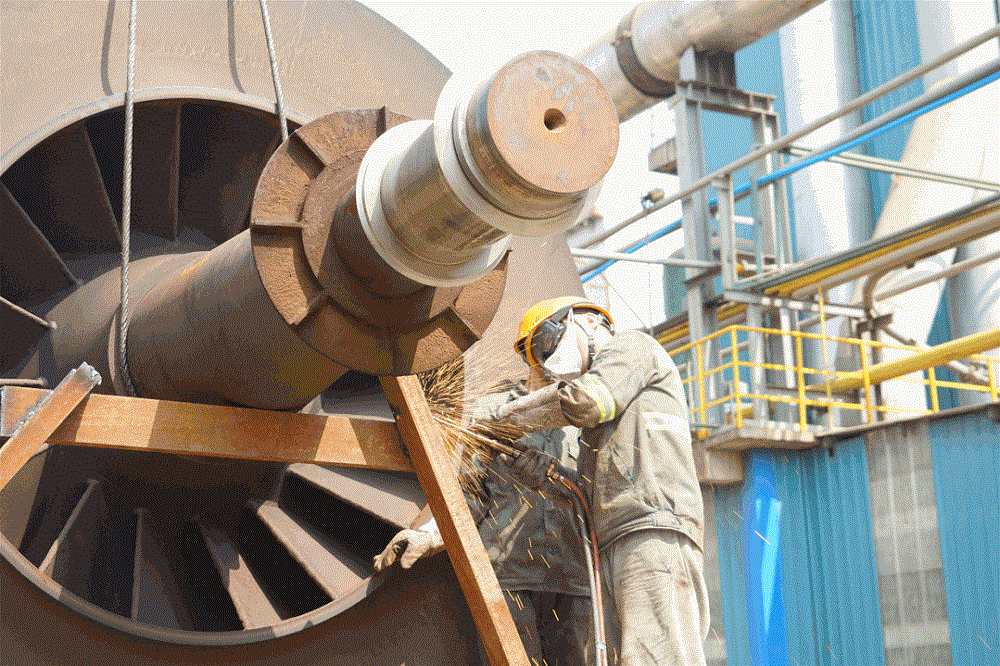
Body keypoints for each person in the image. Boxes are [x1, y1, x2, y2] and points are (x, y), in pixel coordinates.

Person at [496, 296, 709, 666]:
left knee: (658, 657)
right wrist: (543, 474)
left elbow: (588, 401)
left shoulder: (632, 347)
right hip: (612, 542)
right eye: (540, 357)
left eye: (547, 341)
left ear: (590, 321)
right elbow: (582, 495)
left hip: (650, 529)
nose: (549, 359)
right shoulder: (594, 431)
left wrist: (513, 418)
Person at [374, 382, 593, 666]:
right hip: (508, 579)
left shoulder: (589, 413)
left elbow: (603, 499)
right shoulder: (494, 412)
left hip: (573, 581)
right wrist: (428, 536)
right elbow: (467, 499)